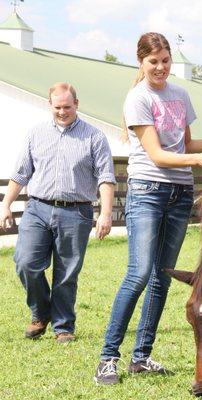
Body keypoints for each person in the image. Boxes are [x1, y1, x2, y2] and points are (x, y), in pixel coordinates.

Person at [93, 32, 202, 385]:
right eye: (154, 62)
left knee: (161, 276)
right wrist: (197, 158)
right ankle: (108, 358)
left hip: (179, 194)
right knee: (138, 273)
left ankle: (142, 356)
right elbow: (158, 154)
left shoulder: (180, 95)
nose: (161, 67)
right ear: (141, 62)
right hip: (148, 190)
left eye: (165, 61)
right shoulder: (138, 98)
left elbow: (187, 142)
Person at [0, 82, 116, 344]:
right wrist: (6, 203)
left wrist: (106, 213)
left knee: (66, 272)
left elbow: (106, 178)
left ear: (77, 104)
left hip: (76, 212)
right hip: (37, 208)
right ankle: (41, 313)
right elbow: (21, 173)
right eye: (57, 107)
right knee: (25, 262)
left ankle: (63, 325)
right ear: (49, 105)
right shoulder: (36, 134)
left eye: (67, 106)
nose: (62, 112)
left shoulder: (94, 137)